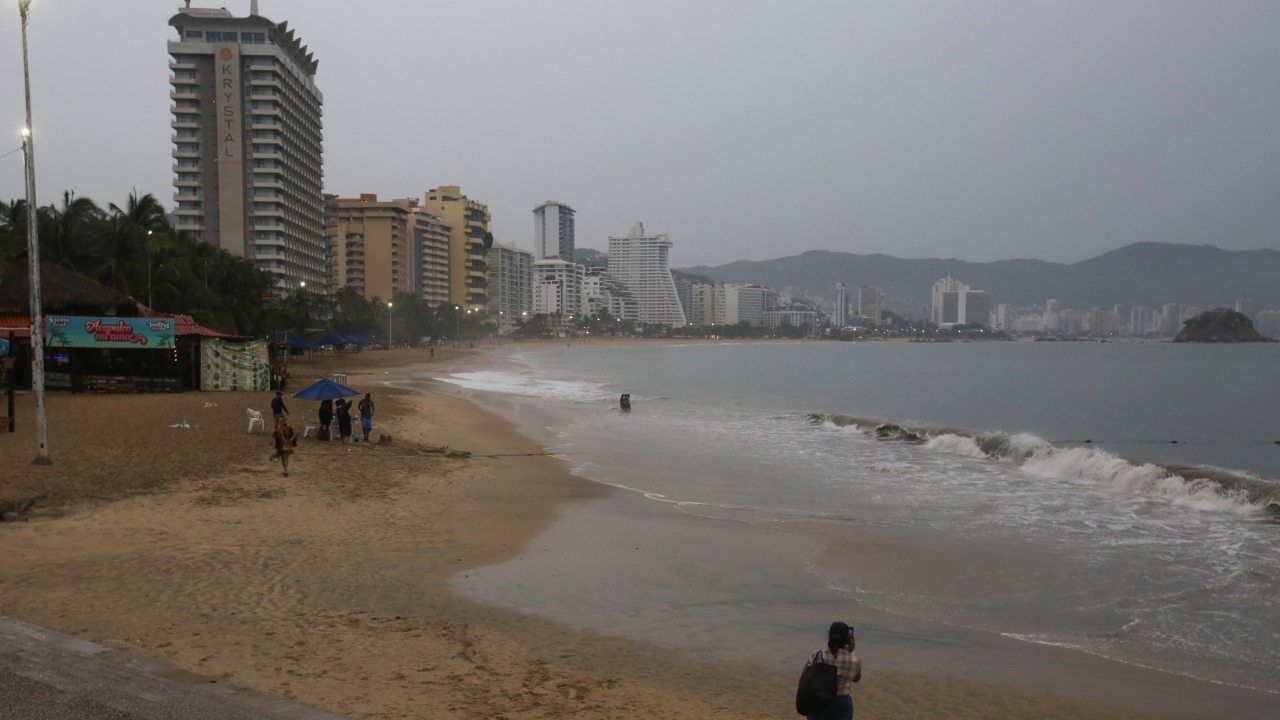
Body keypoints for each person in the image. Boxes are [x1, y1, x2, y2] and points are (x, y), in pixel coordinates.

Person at [800, 622, 861, 720]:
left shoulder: (817, 655)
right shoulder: (854, 659)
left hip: (818, 700)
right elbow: (857, 678)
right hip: (842, 704)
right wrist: (849, 652)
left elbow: (803, 676)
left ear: (829, 636)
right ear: (848, 640)